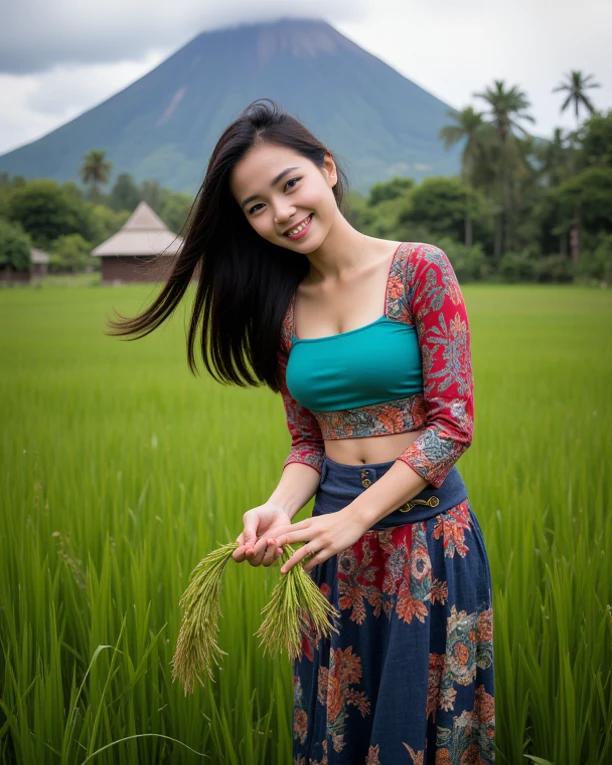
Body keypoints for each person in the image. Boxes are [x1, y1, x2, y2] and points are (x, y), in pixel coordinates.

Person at [108, 98, 494, 764]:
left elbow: (453, 423)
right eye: (256, 206)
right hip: (329, 553)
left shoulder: (419, 269)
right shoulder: (284, 310)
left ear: (328, 169)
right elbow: (308, 444)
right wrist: (277, 508)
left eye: (289, 184)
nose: (280, 212)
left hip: (430, 542)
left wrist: (358, 516)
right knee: (337, 733)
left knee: (424, 730)